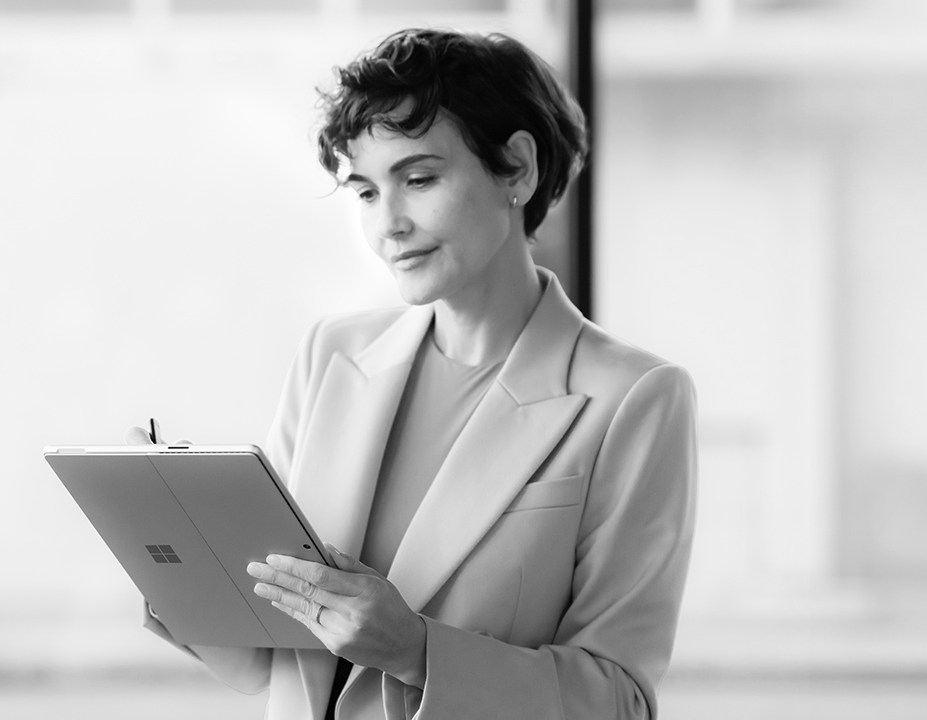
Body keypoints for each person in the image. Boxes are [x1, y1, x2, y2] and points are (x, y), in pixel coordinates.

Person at [135, 28, 696, 720]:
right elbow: (269, 656)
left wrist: (416, 651)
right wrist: (187, 577)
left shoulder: (635, 397)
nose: (389, 225)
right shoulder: (331, 353)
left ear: (517, 169)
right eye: (366, 192)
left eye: (419, 179)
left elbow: (619, 700)